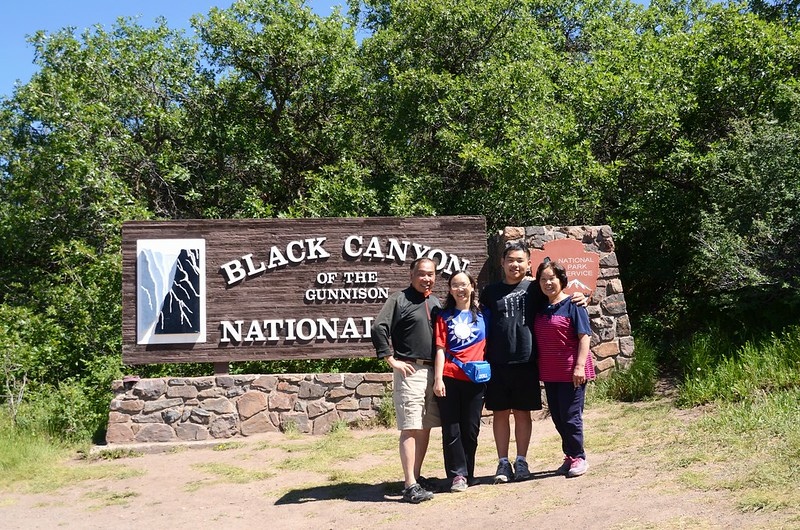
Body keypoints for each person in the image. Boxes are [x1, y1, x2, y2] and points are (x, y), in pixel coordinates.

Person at [480, 241, 586, 484]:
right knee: (499, 413)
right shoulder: (490, 292)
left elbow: (558, 297)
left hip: (527, 361)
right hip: (497, 361)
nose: (515, 264)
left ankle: (522, 460)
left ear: (529, 264)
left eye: (520, 260)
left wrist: (580, 297)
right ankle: (503, 462)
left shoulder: (535, 289)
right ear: (502, 263)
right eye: (510, 260)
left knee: (522, 413)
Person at [372, 257, 441, 504]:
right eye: (422, 274)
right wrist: (391, 359)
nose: (426, 278)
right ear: (411, 274)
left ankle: (417, 477)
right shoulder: (398, 299)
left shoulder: (434, 301)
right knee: (410, 427)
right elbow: (379, 327)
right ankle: (409, 484)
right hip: (409, 370)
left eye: (431, 274)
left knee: (424, 427)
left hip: (432, 371)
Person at [533, 259, 594, 478]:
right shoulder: (540, 306)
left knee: (571, 417)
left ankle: (579, 457)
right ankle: (569, 455)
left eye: (552, 278)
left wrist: (579, 366)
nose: (548, 283)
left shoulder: (574, 305)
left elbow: (584, 337)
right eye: (543, 279)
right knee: (558, 417)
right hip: (550, 372)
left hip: (572, 372)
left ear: (561, 280)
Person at [432, 270, 487, 493]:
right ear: (450, 289)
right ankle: (457, 475)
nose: (460, 289)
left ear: (472, 286)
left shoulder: (485, 314)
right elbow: (440, 349)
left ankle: (469, 472)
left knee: (471, 428)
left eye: (464, 284)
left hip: (476, 379)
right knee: (452, 428)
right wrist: (438, 379)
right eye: (455, 285)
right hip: (450, 377)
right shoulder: (444, 316)